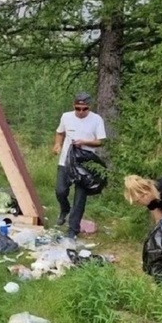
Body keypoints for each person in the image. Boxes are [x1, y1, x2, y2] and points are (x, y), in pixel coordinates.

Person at [52, 91, 107, 238]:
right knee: (60, 190)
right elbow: (59, 132)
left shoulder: (96, 119)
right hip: (66, 160)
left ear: (89, 107)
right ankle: (64, 209)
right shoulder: (66, 116)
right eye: (78, 109)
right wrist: (57, 145)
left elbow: (100, 141)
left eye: (84, 109)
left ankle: (72, 229)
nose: (81, 112)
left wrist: (84, 142)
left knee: (80, 197)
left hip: (86, 163)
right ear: (74, 106)